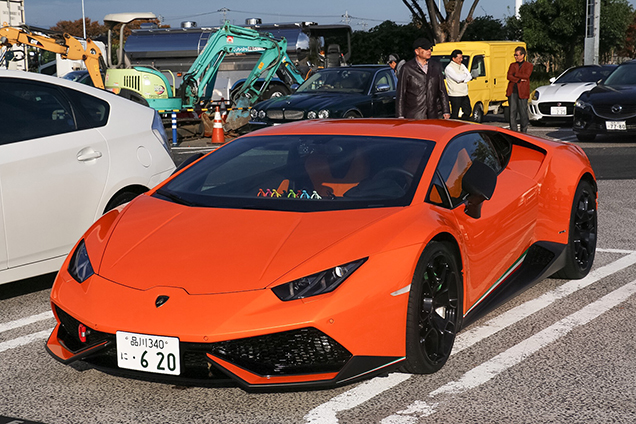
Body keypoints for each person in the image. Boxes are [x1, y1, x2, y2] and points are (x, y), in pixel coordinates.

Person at [396, 38, 450, 120]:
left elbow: (442, 90)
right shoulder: (407, 68)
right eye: (425, 49)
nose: (429, 51)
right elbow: (401, 94)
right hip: (414, 115)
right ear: (417, 51)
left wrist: (446, 111)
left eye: (430, 49)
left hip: (432, 114)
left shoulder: (436, 66)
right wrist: (400, 115)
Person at [506, 46, 533, 132]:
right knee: (512, 112)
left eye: (517, 55)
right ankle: (513, 131)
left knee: (523, 113)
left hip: (522, 92)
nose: (515, 57)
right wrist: (518, 79)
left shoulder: (529, 65)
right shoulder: (512, 65)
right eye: (515, 55)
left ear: (522, 55)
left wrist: (515, 74)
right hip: (512, 91)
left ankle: (524, 130)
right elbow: (509, 76)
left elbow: (526, 76)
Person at [444, 49, 472, 120]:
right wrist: (464, 77)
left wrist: (463, 78)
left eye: (461, 58)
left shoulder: (462, 66)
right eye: (459, 58)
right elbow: (458, 79)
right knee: (455, 113)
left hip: (464, 93)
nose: (461, 60)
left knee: (468, 111)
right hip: (455, 94)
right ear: (453, 59)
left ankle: (463, 123)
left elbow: (469, 76)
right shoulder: (449, 68)